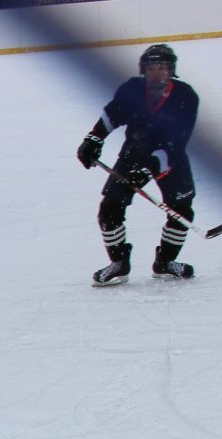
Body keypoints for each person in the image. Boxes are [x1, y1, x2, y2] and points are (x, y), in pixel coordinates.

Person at [75, 43, 200, 285]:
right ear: (144, 70)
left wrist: (149, 170)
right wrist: (93, 139)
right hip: (135, 150)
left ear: (171, 69)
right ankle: (119, 264)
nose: (157, 72)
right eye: (152, 67)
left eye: (162, 67)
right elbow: (112, 114)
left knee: (182, 209)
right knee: (110, 207)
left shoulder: (185, 96)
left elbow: (178, 141)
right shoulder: (132, 89)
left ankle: (166, 261)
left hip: (168, 155)